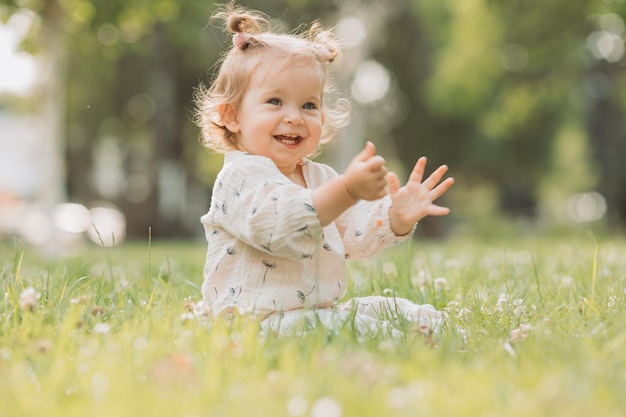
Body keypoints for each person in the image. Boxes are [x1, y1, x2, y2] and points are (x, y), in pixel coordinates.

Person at [193, 4, 455, 338]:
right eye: (275, 101)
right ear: (232, 115)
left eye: (309, 105)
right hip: (252, 324)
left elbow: (353, 235)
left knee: (388, 309)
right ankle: (405, 342)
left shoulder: (320, 178)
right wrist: (346, 191)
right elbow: (281, 226)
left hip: (313, 312)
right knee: (355, 327)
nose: (294, 117)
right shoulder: (240, 177)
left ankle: (437, 332)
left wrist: (395, 217)